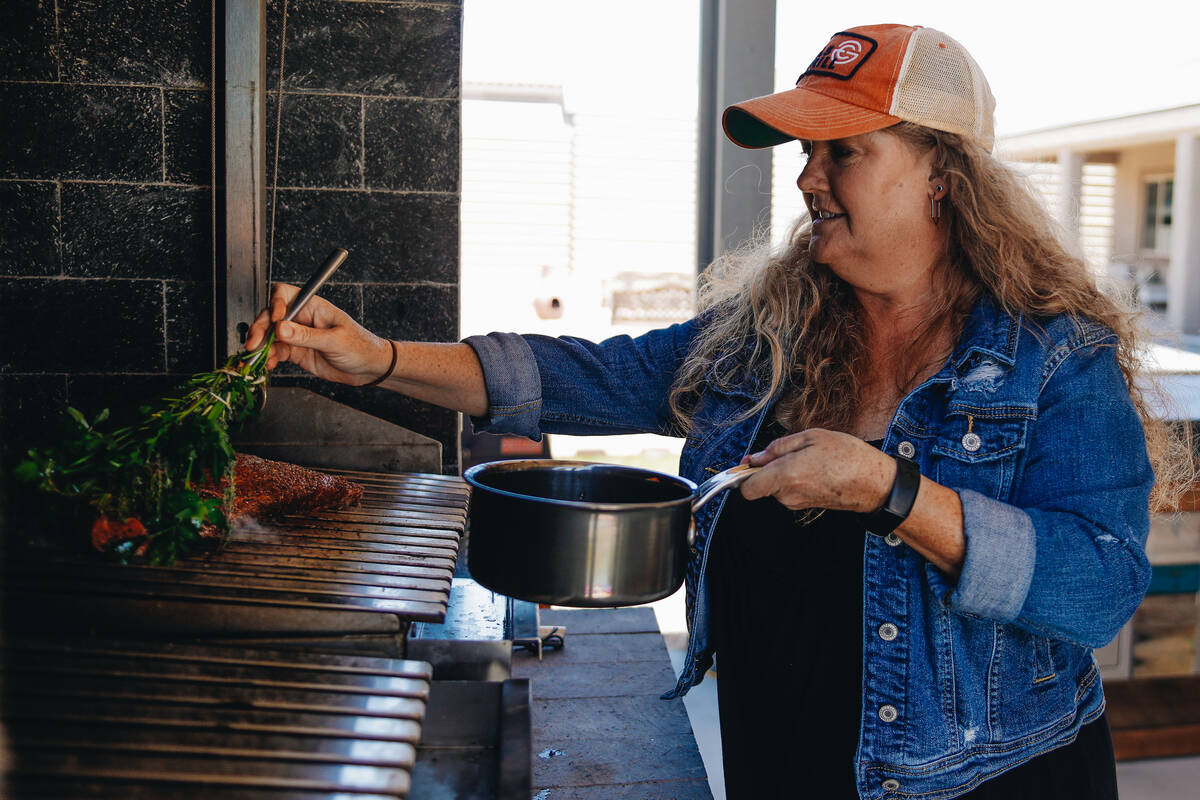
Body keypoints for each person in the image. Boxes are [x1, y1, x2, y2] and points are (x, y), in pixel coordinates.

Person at [247, 23, 1188, 799]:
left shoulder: (1055, 361)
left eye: (842, 152)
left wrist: (892, 491)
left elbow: (1098, 587)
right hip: (783, 764)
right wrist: (375, 361)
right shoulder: (769, 334)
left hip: (991, 782)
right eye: (807, 151)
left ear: (942, 173)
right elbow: (571, 373)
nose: (808, 177)